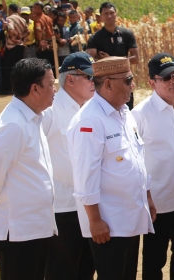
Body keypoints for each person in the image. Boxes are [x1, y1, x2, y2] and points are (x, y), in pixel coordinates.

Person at [67, 56, 156, 280]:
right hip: (109, 224)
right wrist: (95, 221)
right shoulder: (89, 121)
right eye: (128, 80)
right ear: (107, 84)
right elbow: (85, 176)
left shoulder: (124, 113)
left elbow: (137, 159)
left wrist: (148, 198)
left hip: (130, 218)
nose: (132, 85)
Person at [0, 58, 57, 280]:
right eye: (50, 84)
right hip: (18, 233)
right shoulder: (13, 126)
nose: (54, 89)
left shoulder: (32, 118)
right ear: (35, 89)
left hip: (34, 229)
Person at [131, 53, 174, 280]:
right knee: (154, 258)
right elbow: (135, 160)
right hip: (157, 204)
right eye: (167, 77)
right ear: (152, 82)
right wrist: (146, 195)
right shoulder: (139, 115)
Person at [42, 52, 96, 280]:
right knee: (62, 271)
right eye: (90, 78)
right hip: (63, 208)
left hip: (91, 206)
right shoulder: (49, 111)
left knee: (87, 268)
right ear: (71, 79)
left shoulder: (93, 109)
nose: (96, 83)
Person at [86, 2, 139, 109]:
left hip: (125, 80)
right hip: (105, 84)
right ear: (101, 17)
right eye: (105, 14)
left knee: (127, 111)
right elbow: (90, 61)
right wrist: (121, 61)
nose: (109, 16)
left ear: (116, 14)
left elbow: (136, 59)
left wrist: (110, 60)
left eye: (111, 13)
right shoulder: (95, 38)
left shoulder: (126, 34)